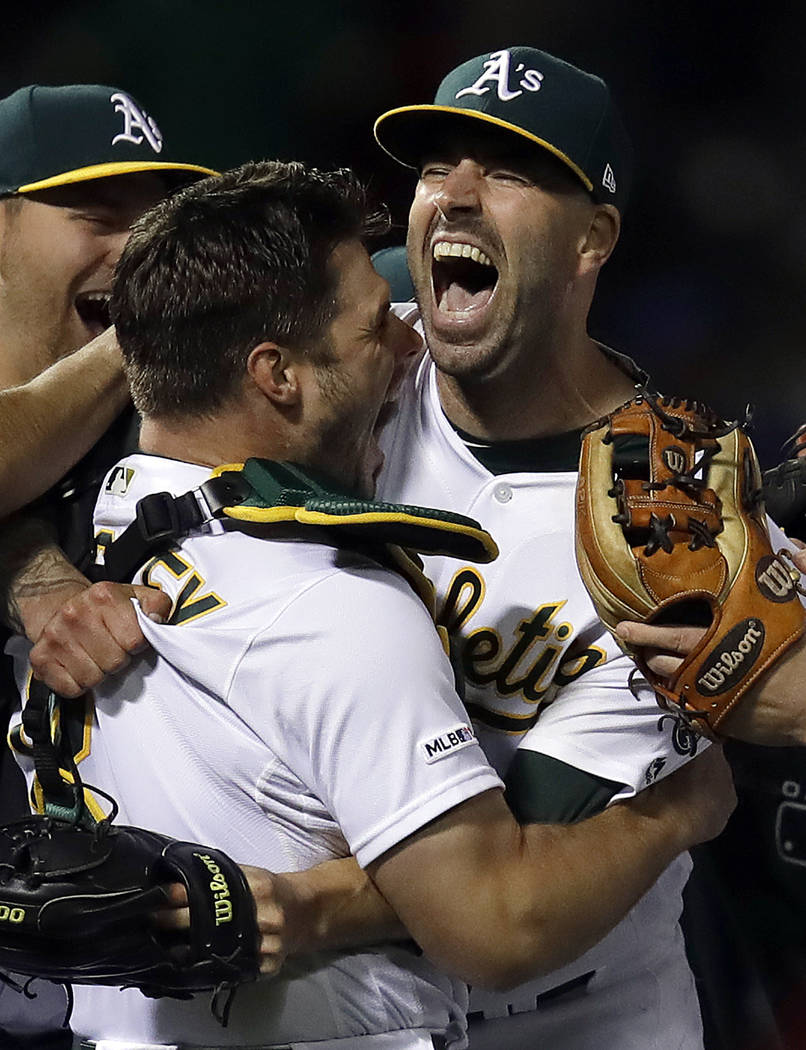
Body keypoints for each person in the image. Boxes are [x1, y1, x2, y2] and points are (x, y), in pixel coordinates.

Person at [8, 159, 734, 1050]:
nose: (406, 343)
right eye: (372, 328)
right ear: (277, 376)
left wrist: (35, 570)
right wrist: (681, 811)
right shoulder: (330, 603)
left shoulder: (104, 506)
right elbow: (497, 927)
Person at [0, 82, 213, 1048]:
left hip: (122, 1000)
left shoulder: (170, 424)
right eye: (96, 215)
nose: (138, 246)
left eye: (155, 219)